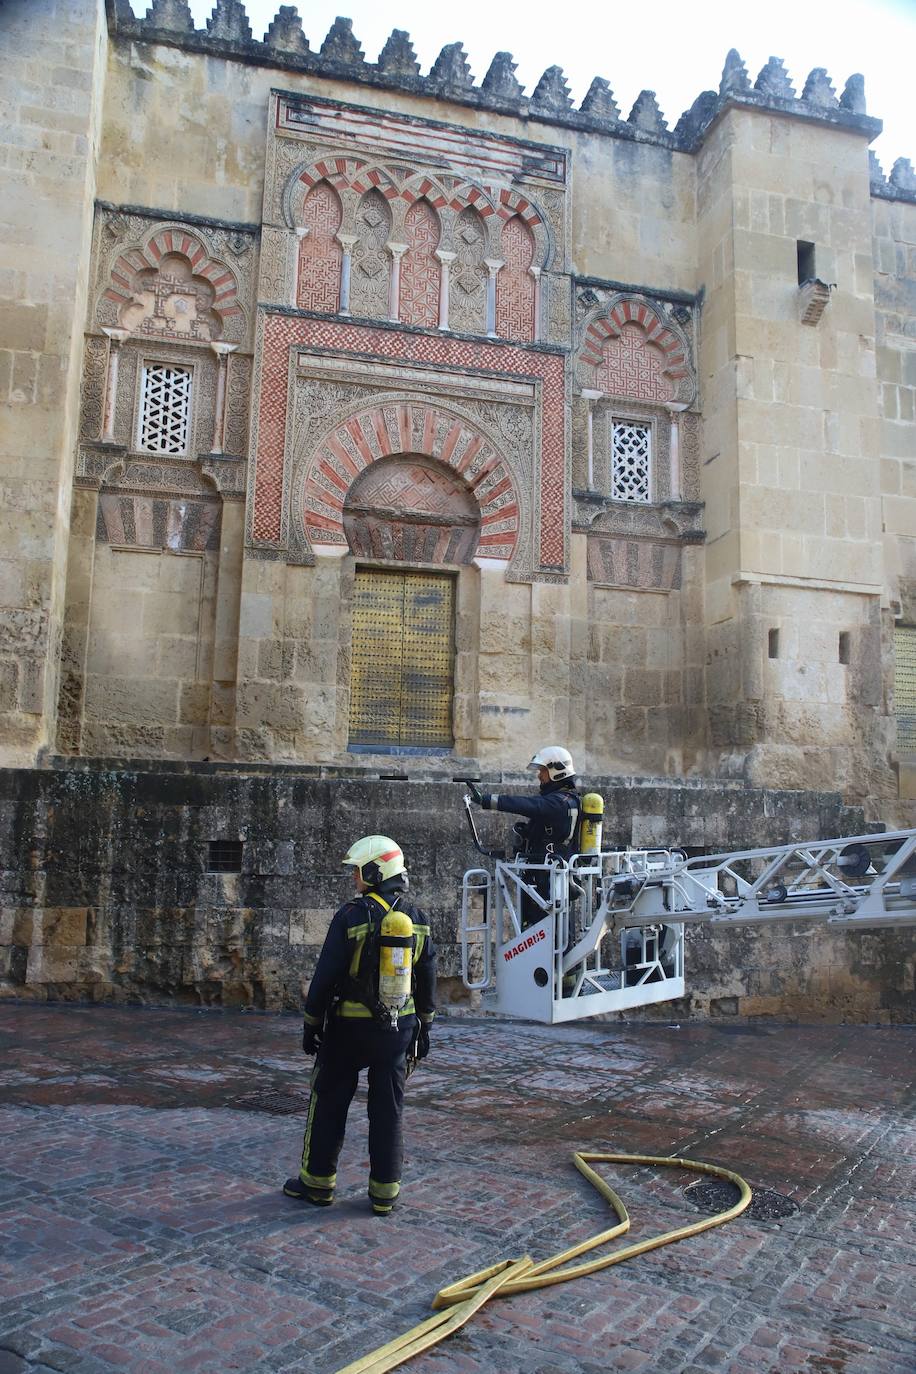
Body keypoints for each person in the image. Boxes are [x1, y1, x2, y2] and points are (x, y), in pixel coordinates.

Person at [283, 835, 437, 1216]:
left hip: (348, 1030)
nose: (354, 878)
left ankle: (317, 1184)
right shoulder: (417, 918)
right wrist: (426, 1027)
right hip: (397, 1031)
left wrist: (311, 1022)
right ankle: (385, 1194)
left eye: (357, 871)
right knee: (388, 1110)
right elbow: (428, 978)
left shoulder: (351, 916)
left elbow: (325, 976)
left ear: (374, 871)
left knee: (329, 1100)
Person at [467, 746, 582, 928]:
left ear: (556, 772)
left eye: (543, 771)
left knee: (549, 933)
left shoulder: (559, 803)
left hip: (548, 881)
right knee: (537, 930)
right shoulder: (561, 801)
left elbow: (528, 805)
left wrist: (487, 800)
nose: (539, 776)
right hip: (542, 878)